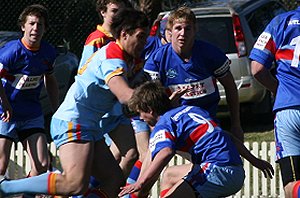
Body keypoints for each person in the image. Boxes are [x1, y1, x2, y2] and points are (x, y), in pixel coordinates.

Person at [0, 8, 149, 198]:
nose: (144, 43)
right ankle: (5, 187)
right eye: (141, 37)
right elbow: (125, 96)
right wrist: (156, 101)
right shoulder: (113, 58)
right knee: (75, 184)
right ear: (124, 34)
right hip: (74, 121)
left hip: (89, 125)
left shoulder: (128, 58)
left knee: (114, 180)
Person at [118, 81, 274, 198]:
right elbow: (227, 137)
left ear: (150, 110)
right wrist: (255, 161)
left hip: (217, 170)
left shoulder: (164, 124)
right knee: (170, 175)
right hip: (234, 170)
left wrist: (141, 182)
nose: (140, 118)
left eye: (140, 113)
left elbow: (165, 152)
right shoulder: (192, 110)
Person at [143, 6, 244, 142]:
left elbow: (230, 87)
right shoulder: (156, 60)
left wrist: (236, 124)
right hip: (173, 125)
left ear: (195, 30)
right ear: (169, 31)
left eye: (188, 29)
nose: (183, 34)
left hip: (207, 124)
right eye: (178, 28)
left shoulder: (211, 54)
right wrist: (168, 104)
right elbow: (152, 103)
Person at [78, 0, 139, 179]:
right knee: (101, 162)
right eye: (114, 11)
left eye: (122, 11)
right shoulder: (97, 39)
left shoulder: (123, 38)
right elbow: (84, 72)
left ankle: (105, 190)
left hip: (116, 109)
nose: (118, 15)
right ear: (103, 12)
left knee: (128, 154)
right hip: (100, 110)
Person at [0, 4, 59, 178]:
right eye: (31, 23)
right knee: (1, 166)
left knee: (41, 164)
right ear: (23, 26)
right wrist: (6, 104)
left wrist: (57, 109)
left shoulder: (48, 52)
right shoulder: (11, 52)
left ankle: (24, 193)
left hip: (31, 113)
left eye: (40, 24)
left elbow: (50, 78)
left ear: (45, 28)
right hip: (5, 113)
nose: (35, 28)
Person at [249, 2, 300, 197]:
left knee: (292, 183)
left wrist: (279, 91)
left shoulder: (280, 22)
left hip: (288, 111)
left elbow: (257, 68)